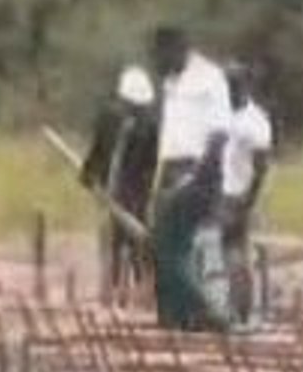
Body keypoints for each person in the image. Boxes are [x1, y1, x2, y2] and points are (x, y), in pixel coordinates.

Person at [148, 25, 234, 330]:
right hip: (171, 170)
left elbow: (219, 134)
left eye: (160, 55)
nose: (157, 62)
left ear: (178, 50)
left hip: (198, 172)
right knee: (170, 247)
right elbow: (171, 137)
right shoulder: (171, 82)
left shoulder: (210, 78)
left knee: (165, 246)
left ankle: (208, 311)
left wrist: (195, 178)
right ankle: (175, 317)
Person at [80, 64, 159, 300]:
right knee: (112, 240)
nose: (133, 109)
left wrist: (141, 191)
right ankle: (112, 287)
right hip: (110, 188)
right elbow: (98, 150)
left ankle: (141, 286)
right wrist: (89, 174)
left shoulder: (150, 126)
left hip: (135, 190)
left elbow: (151, 164)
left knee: (137, 240)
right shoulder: (108, 118)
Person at [152, 132, 231, 332]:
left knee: (174, 265)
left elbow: (206, 197)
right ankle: (187, 315)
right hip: (176, 220)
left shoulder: (208, 172)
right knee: (174, 264)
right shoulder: (210, 172)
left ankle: (195, 313)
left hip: (176, 220)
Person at [221, 60, 273, 325]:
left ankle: (240, 308)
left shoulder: (255, 121)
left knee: (234, 250)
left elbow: (262, 166)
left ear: (242, 87)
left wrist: (248, 200)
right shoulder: (222, 115)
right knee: (223, 251)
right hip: (219, 191)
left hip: (238, 193)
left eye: (231, 86)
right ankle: (232, 306)